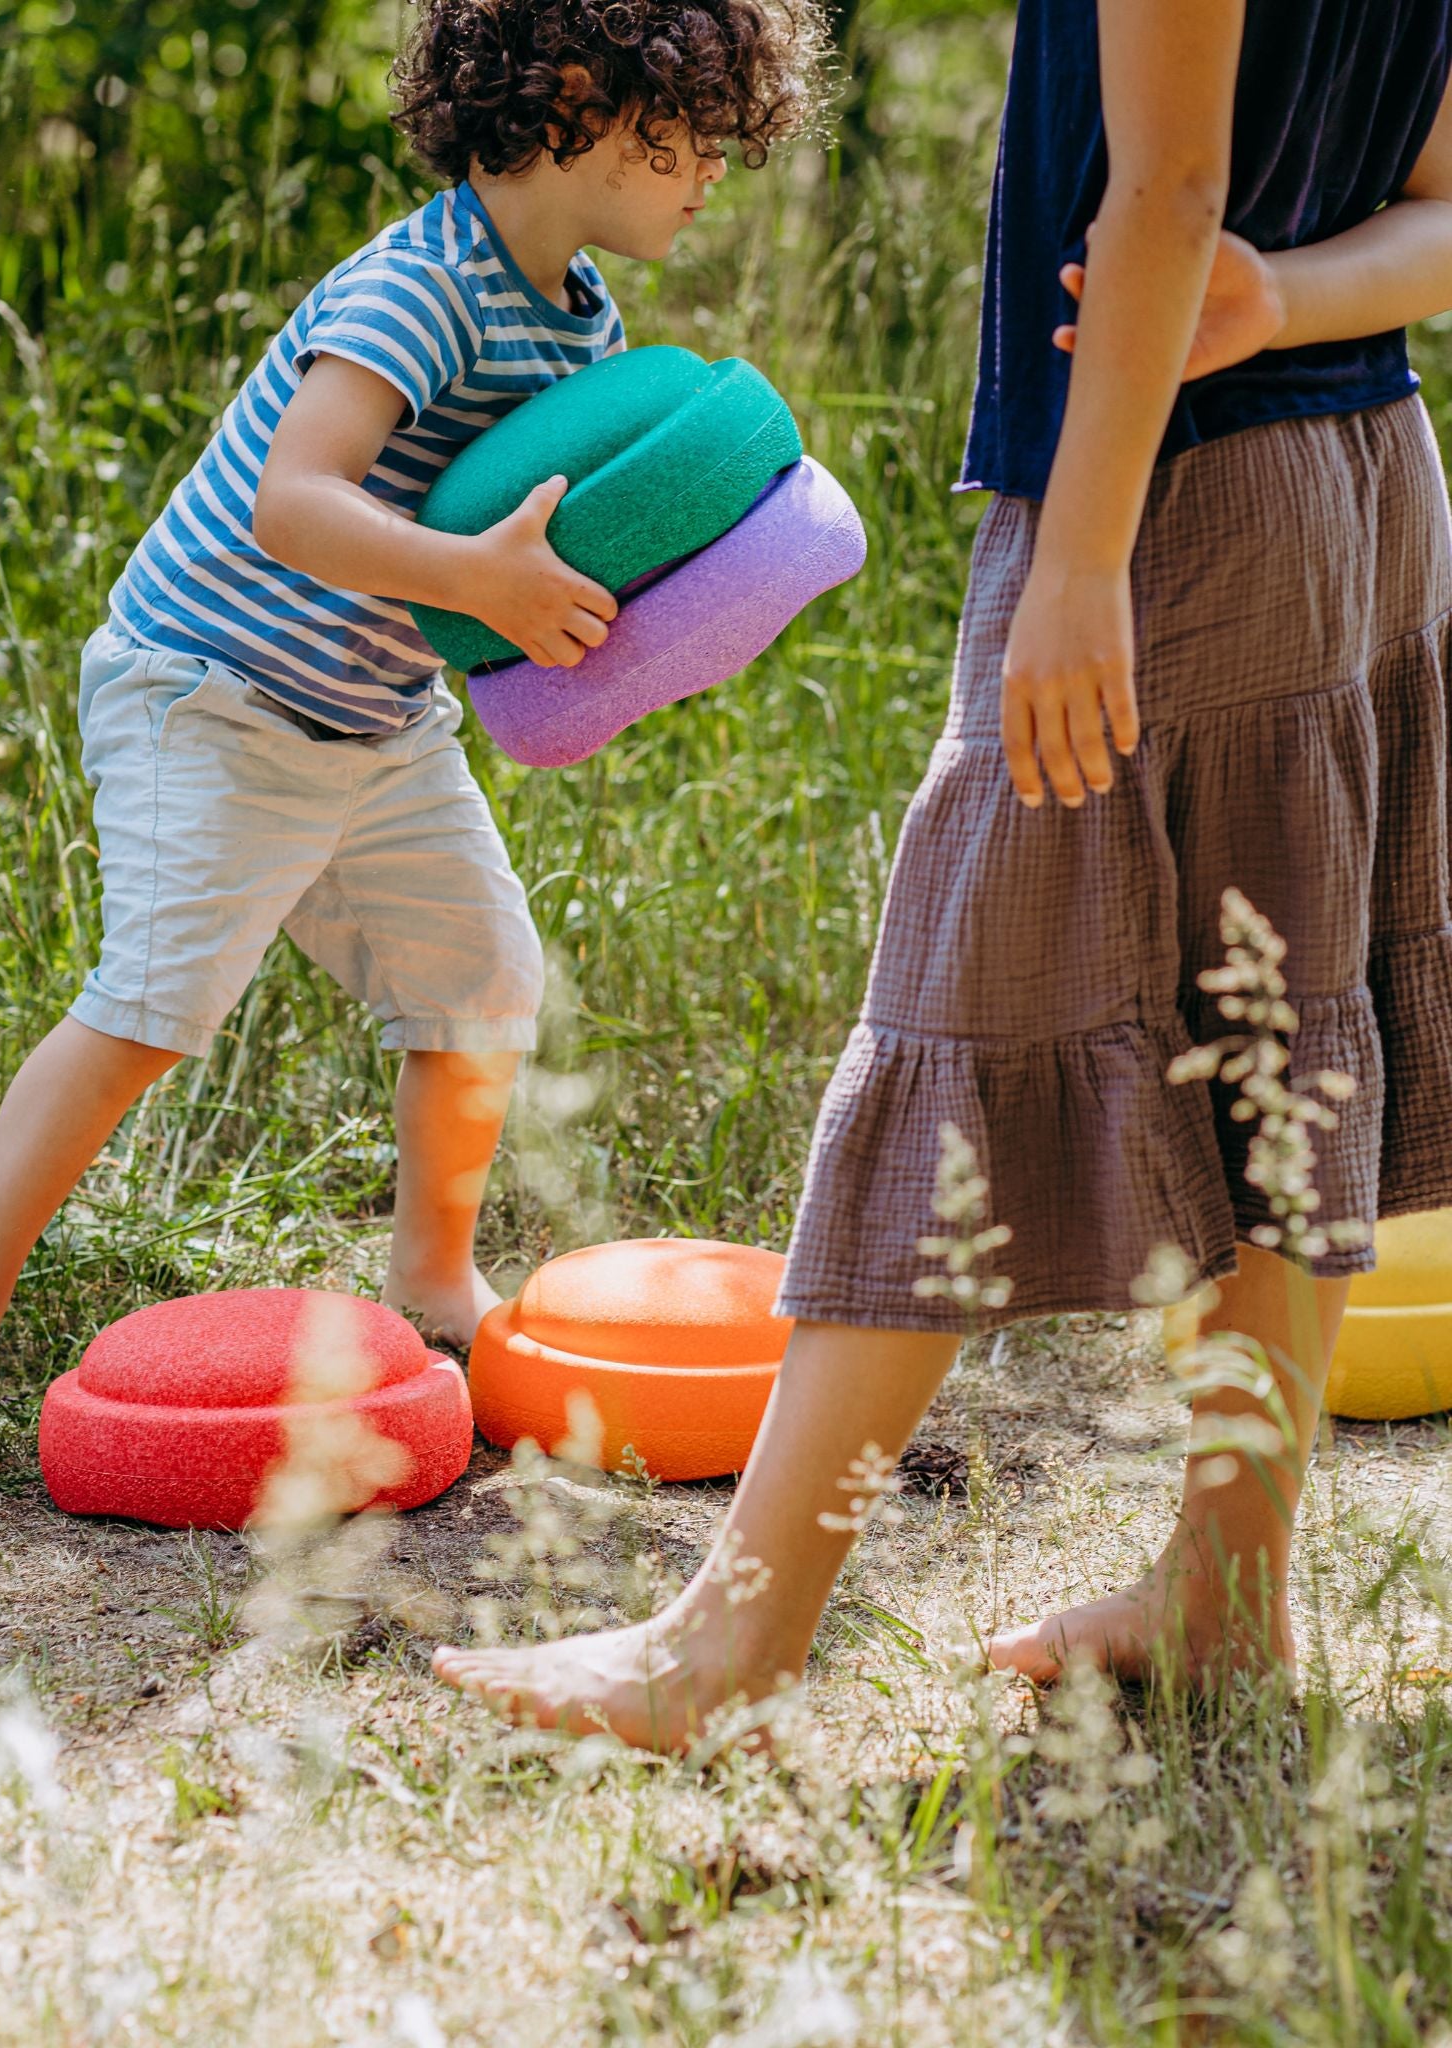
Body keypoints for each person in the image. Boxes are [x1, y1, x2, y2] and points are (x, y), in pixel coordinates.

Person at [436, 0, 1452, 1745]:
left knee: (958, 1019)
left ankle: (726, 1650)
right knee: (1284, 1045)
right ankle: (1226, 1590)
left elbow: (1168, 191)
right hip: (1357, 484)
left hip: (1172, 507)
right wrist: (1287, 303)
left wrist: (1078, 553)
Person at [0, 0, 823, 1478]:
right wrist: (478, 585)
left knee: (483, 979)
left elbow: (547, 546)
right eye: (691, 132)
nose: (717, 166)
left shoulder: (583, 317)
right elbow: (295, 502)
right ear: (579, 99)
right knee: (155, 1002)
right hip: (211, 685)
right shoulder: (420, 285)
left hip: (377, 716)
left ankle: (434, 1278)